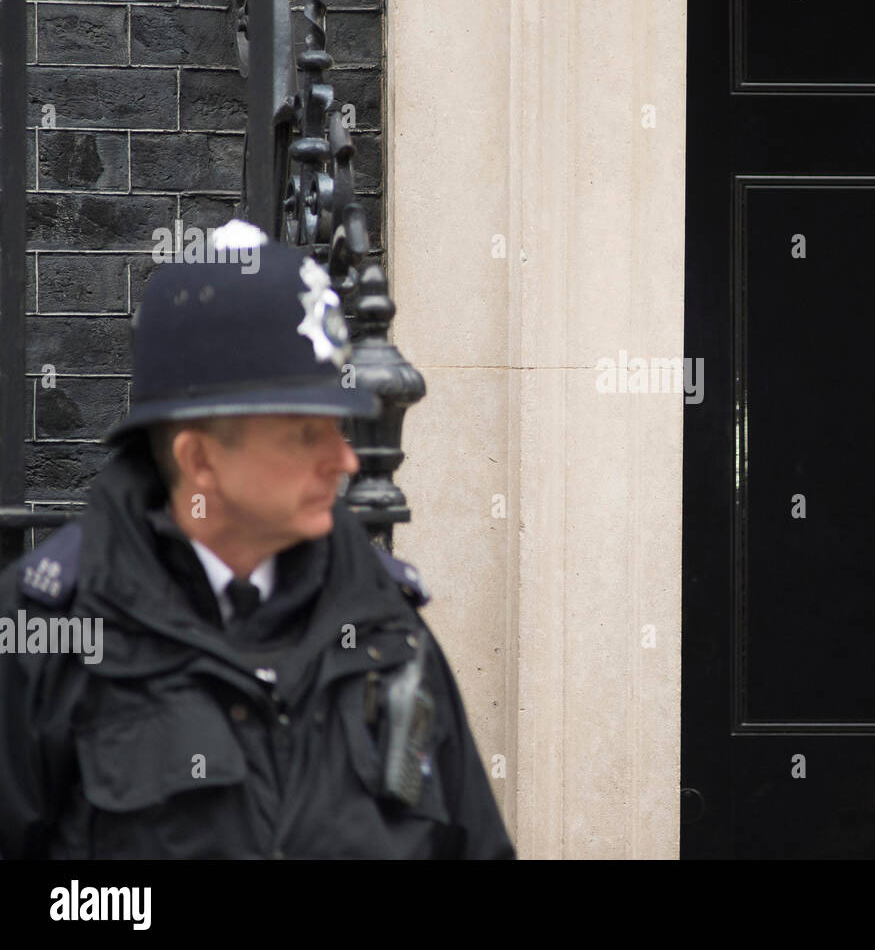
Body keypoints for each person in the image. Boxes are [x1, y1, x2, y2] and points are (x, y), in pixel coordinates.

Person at [0, 221, 514, 859]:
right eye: (306, 434)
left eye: (340, 428)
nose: (346, 461)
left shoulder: (388, 628)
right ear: (201, 460)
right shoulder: (46, 633)